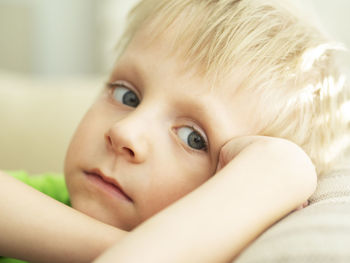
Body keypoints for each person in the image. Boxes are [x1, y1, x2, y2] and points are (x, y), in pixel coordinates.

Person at [1, 0, 349, 262]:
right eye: (127, 95)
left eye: (193, 139)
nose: (125, 132)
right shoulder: (49, 199)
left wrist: (280, 168)